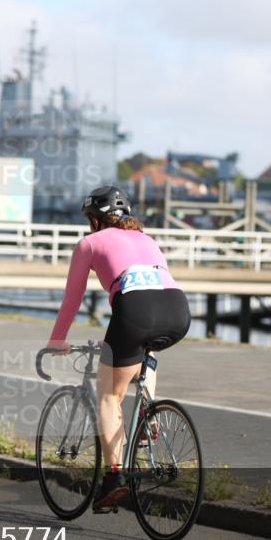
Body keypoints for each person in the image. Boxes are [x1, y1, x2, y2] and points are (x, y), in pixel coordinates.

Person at [47, 186, 191, 512]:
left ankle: (114, 478)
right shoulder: (147, 239)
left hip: (135, 313)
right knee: (146, 348)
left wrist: (57, 340)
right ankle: (148, 418)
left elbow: (73, 299)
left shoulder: (90, 243)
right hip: (177, 310)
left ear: (95, 220)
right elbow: (149, 290)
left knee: (109, 397)